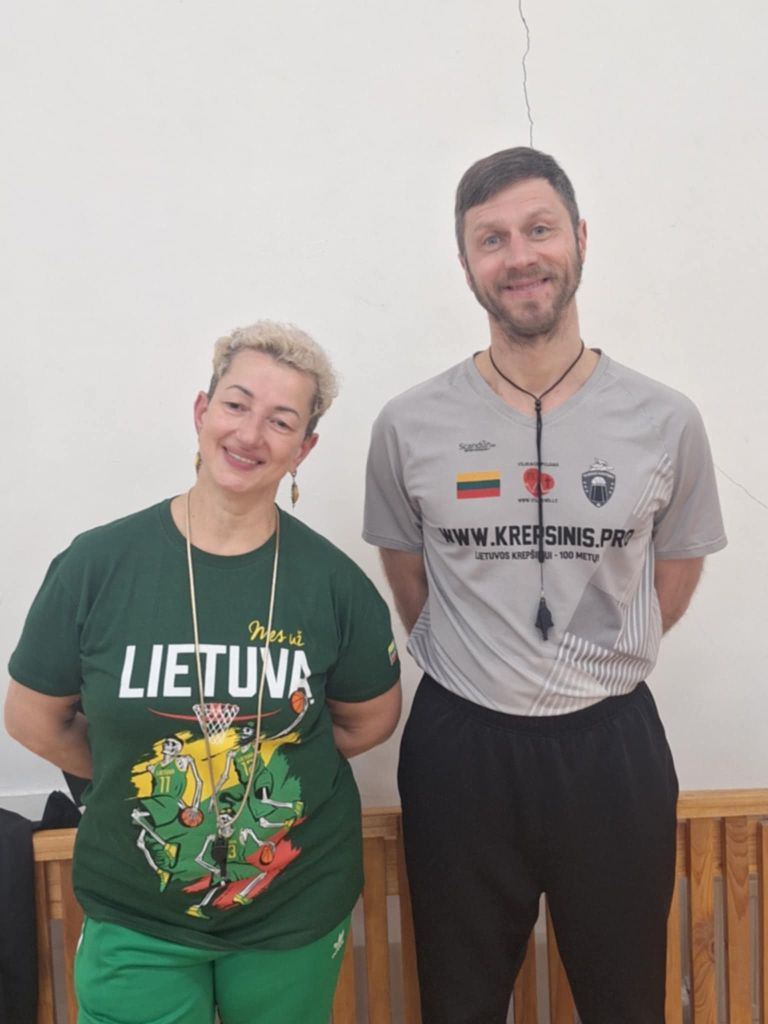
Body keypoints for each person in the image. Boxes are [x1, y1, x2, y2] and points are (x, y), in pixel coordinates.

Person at [364, 147, 726, 1024]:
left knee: (624, 1001)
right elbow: (410, 574)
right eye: (491, 239)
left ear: (580, 239)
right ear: (466, 266)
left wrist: (598, 654)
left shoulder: (666, 419)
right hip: (460, 747)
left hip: (611, 748)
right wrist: (483, 657)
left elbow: (675, 567)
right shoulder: (408, 424)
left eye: (538, 229)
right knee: (457, 1003)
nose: (519, 256)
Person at [5, 320, 401, 1024]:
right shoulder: (97, 566)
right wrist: (141, 772)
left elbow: (367, 720)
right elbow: (34, 717)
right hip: (135, 910)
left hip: (291, 908)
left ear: (304, 449)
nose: (250, 434)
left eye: (281, 421)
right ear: (201, 411)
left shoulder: (334, 585)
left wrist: (256, 771)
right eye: (236, 404)